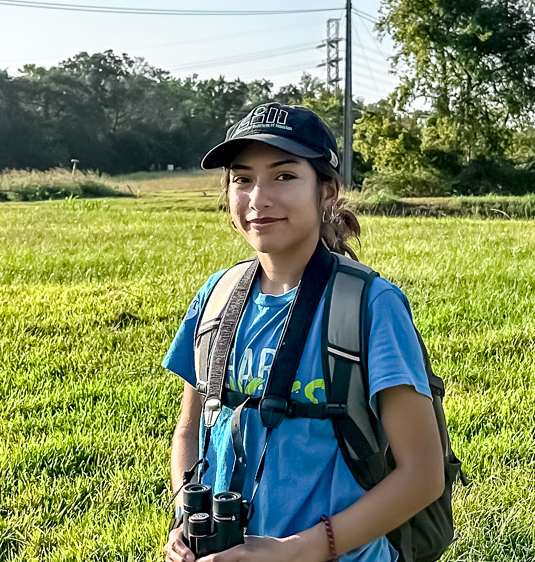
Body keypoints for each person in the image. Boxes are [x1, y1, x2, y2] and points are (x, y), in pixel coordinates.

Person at [161, 102, 444, 562]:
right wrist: (184, 517)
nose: (258, 197)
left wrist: (293, 551)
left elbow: (423, 475)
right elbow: (190, 430)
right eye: (242, 178)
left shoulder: (371, 306)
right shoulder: (217, 295)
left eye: (284, 176)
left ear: (327, 191)